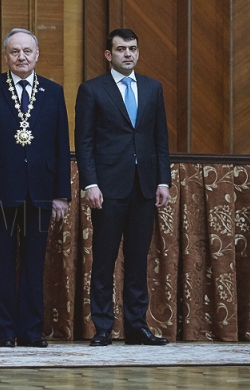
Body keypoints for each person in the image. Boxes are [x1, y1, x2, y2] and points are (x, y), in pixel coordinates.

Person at [0, 28, 71, 348]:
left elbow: (60, 144)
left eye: (27, 51)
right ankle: (5, 332)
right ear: (6, 55)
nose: (21, 56)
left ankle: (30, 331)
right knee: (0, 262)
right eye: (15, 51)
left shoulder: (53, 92)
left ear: (37, 55)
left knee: (34, 264)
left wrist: (61, 193)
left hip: (40, 191)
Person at [74, 28, 171, 346]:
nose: (127, 54)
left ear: (138, 52)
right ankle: (102, 326)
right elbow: (84, 142)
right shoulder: (91, 90)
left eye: (132, 48)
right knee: (103, 259)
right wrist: (90, 183)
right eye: (121, 49)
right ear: (108, 55)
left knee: (137, 258)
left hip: (144, 187)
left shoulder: (153, 88)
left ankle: (136, 326)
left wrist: (162, 181)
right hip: (107, 188)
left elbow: (159, 139)